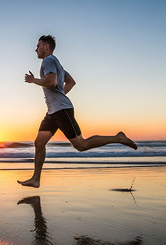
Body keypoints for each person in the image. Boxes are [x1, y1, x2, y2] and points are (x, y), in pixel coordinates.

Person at [17, 35, 137, 188]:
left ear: (46, 47)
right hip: (53, 112)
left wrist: (33, 80)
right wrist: (59, 95)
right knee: (39, 143)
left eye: (38, 45)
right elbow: (71, 82)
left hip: (62, 111)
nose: (35, 49)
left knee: (81, 144)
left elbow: (51, 82)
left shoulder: (48, 61)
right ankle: (36, 179)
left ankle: (118, 138)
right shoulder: (57, 64)